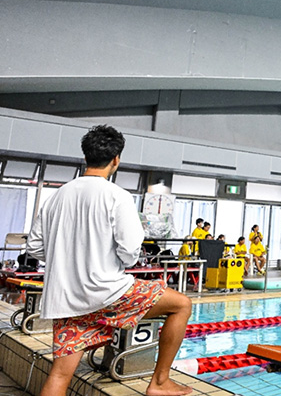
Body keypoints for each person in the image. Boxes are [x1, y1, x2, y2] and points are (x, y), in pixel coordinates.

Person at [25, 125, 192, 396]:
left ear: (85, 157)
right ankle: (160, 382)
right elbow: (130, 251)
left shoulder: (56, 197)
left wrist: (66, 259)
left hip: (66, 299)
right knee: (181, 305)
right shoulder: (117, 196)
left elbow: (34, 247)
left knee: (59, 374)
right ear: (116, 159)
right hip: (107, 292)